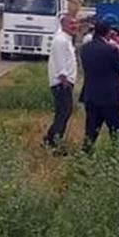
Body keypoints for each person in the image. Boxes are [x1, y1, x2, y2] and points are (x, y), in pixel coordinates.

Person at [79, 21, 119, 152]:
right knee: (116, 131)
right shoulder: (111, 50)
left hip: (91, 94)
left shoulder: (85, 48)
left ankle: (85, 157)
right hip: (110, 96)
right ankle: (118, 157)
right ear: (108, 32)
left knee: (90, 131)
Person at [43, 14, 79, 148]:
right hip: (62, 84)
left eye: (76, 23)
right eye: (71, 24)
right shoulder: (60, 40)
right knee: (63, 113)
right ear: (63, 25)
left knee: (64, 113)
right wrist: (64, 80)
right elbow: (60, 62)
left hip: (65, 83)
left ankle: (50, 139)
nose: (75, 26)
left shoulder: (67, 39)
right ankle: (54, 142)